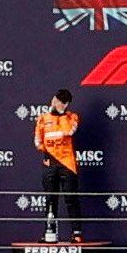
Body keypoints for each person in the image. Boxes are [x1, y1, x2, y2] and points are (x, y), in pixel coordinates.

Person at [34, 89, 83, 244]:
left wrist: (61, 115)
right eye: (54, 99)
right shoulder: (42, 119)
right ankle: (50, 233)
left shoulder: (71, 117)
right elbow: (37, 142)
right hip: (50, 163)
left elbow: (69, 131)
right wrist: (47, 151)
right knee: (50, 199)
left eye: (59, 102)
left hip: (67, 164)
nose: (54, 103)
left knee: (71, 198)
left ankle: (77, 233)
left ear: (65, 104)